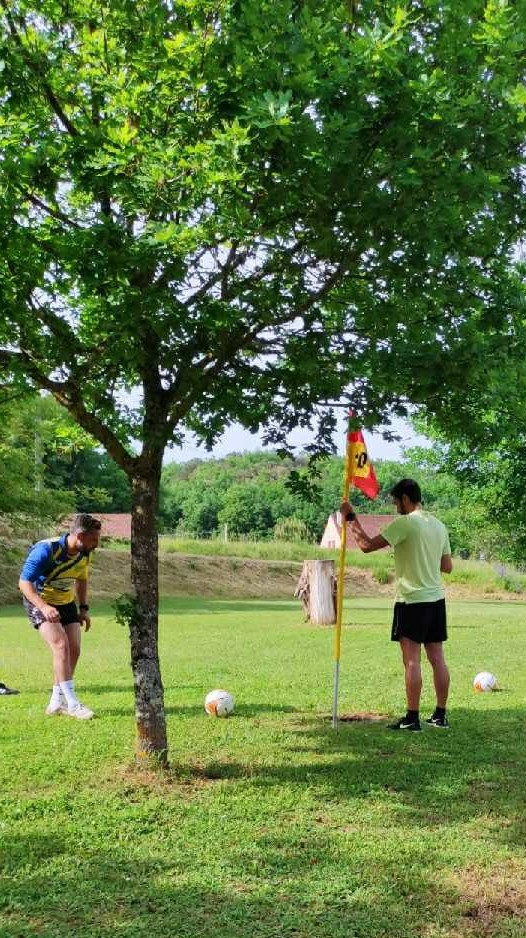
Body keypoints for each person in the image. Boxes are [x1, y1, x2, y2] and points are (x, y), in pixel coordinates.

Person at [340, 478, 452, 732]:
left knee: (411, 661)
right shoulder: (438, 525)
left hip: (411, 601)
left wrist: (350, 517)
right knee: (437, 659)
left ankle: (412, 719)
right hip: (436, 601)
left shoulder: (405, 523)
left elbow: (366, 545)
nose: (394, 507)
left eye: (395, 502)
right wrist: (424, 558)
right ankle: (440, 716)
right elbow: (447, 566)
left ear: (405, 499)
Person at [19, 513, 101, 720]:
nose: (97, 545)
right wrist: (44, 607)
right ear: (80, 536)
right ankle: (73, 704)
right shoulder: (46, 550)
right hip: (40, 601)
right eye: (94, 539)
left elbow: (81, 579)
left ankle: (56, 702)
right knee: (61, 646)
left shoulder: (85, 553)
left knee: (74, 649)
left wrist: (83, 608)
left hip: (66, 603)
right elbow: (24, 583)